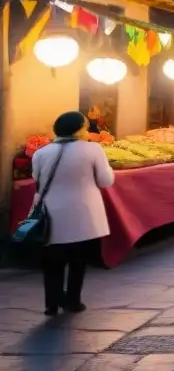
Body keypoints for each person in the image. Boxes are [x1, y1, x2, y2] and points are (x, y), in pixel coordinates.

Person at [30, 111, 115, 316]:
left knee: (52, 261)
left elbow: (36, 178)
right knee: (78, 260)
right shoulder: (93, 149)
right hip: (82, 214)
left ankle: (52, 303)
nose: (87, 131)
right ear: (78, 130)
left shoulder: (41, 152)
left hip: (51, 213)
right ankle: (73, 301)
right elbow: (106, 181)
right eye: (85, 127)